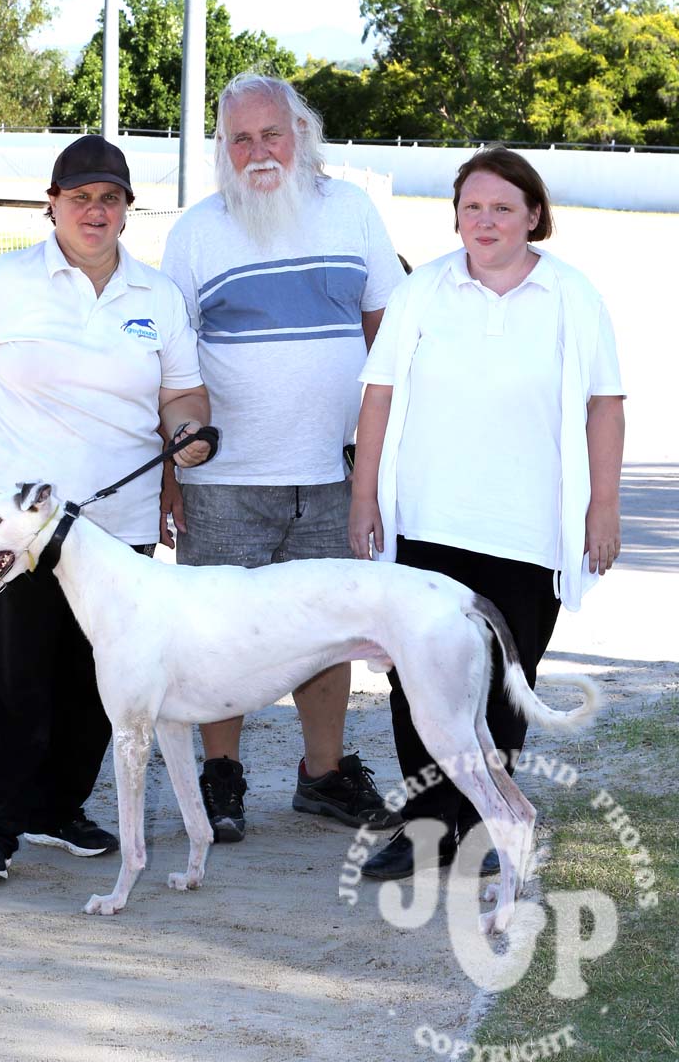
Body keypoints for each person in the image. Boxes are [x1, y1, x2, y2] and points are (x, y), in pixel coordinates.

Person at [0, 135, 212, 883]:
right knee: (12, 677)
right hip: (18, 534)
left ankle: (57, 810)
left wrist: (187, 438)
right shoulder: (5, 280)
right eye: (79, 197)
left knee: (96, 679)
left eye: (110, 198)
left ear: (127, 208)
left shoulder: (156, 295)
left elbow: (182, 393)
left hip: (118, 529)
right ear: (52, 203)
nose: (95, 210)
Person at [349, 145, 625, 881]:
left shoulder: (572, 294)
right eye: (472, 207)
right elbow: (378, 395)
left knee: (505, 683)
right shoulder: (423, 289)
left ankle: (483, 825)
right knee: (417, 680)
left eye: (503, 207)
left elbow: (605, 405)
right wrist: (364, 495)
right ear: (456, 217)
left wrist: (603, 506)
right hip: (426, 523)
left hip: (528, 528)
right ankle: (426, 827)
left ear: (534, 216)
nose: (485, 220)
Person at [160, 73, 405, 842]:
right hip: (223, 479)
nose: (258, 151)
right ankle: (222, 778)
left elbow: (389, 335)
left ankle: (323, 776)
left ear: (302, 133)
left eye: (271, 134)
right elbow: (168, 367)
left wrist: (386, 462)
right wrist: (169, 474)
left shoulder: (353, 210)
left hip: (336, 473)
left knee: (329, 631)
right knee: (217, 632)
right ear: (222, 148)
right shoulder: (195, 232)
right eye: (240, 138)